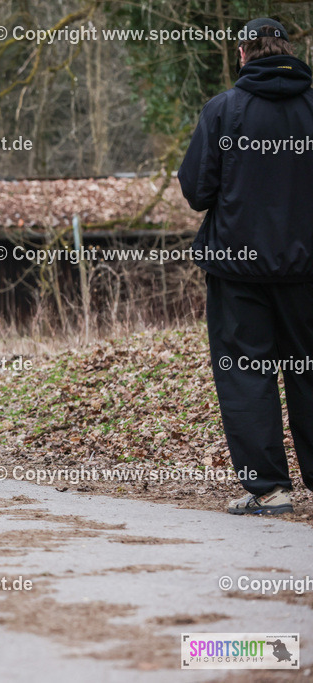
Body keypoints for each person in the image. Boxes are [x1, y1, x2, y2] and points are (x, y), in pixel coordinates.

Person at [179, 17, 313, 515]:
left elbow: (197, 190)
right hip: (307, 271)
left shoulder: (223, 110)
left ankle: (271, 490)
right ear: (288, 50)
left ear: (242, 54)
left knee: (245, 374)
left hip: (238, 270)